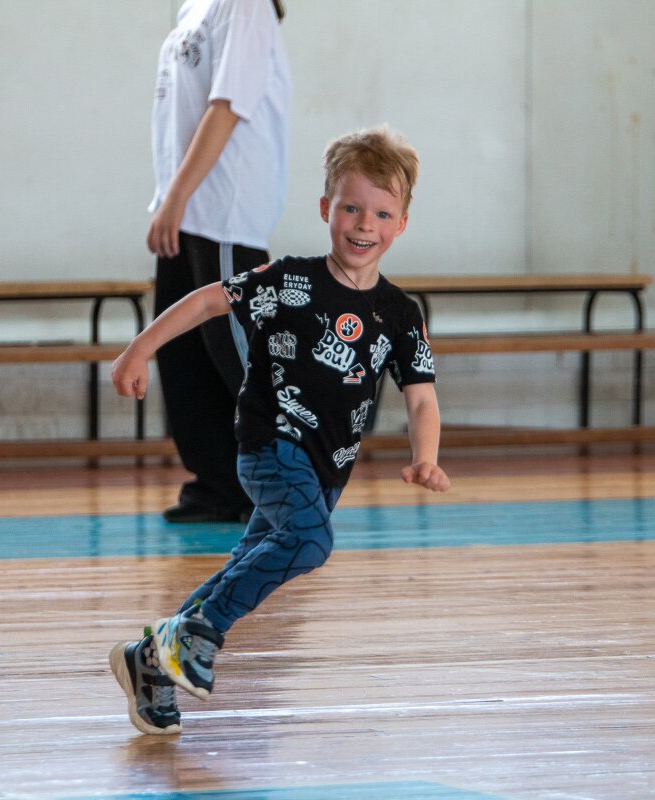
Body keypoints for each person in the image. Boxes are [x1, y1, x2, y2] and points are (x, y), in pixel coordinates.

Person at [108, 126, 450, 735]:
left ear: (401, 224)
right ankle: (196, 636)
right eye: (350, 207)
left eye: (380, 212)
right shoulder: (289, 282)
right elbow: (208, 301)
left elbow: (421, 398)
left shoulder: (399, 313)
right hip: (271, 445)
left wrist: (426, 456)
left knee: (251, 558)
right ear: (325, 210)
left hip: (327, 469)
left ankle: (152, 659)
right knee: (311, 543)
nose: (362, 224)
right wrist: (139, 350)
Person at [150, 0, 291, 524]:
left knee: (238, 353)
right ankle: (221, 484)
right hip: (189, 208)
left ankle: (293, 483)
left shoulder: (246, 5)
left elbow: (227, 106)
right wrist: (172, 198)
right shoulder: (194, 5)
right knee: (184, 356)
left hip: (225, 208)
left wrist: (177, 197)